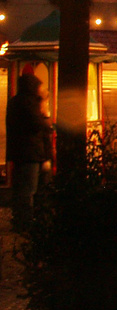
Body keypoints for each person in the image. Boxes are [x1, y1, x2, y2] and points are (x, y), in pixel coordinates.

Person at [6, 74, 50, 231]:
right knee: (29, 189)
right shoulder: (28, 103)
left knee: (23, 189)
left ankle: (21, 220)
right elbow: (39, 125)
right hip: (30, 154)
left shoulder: (16, 102)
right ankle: (25, 222)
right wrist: (46, 115)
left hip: (24, 153)